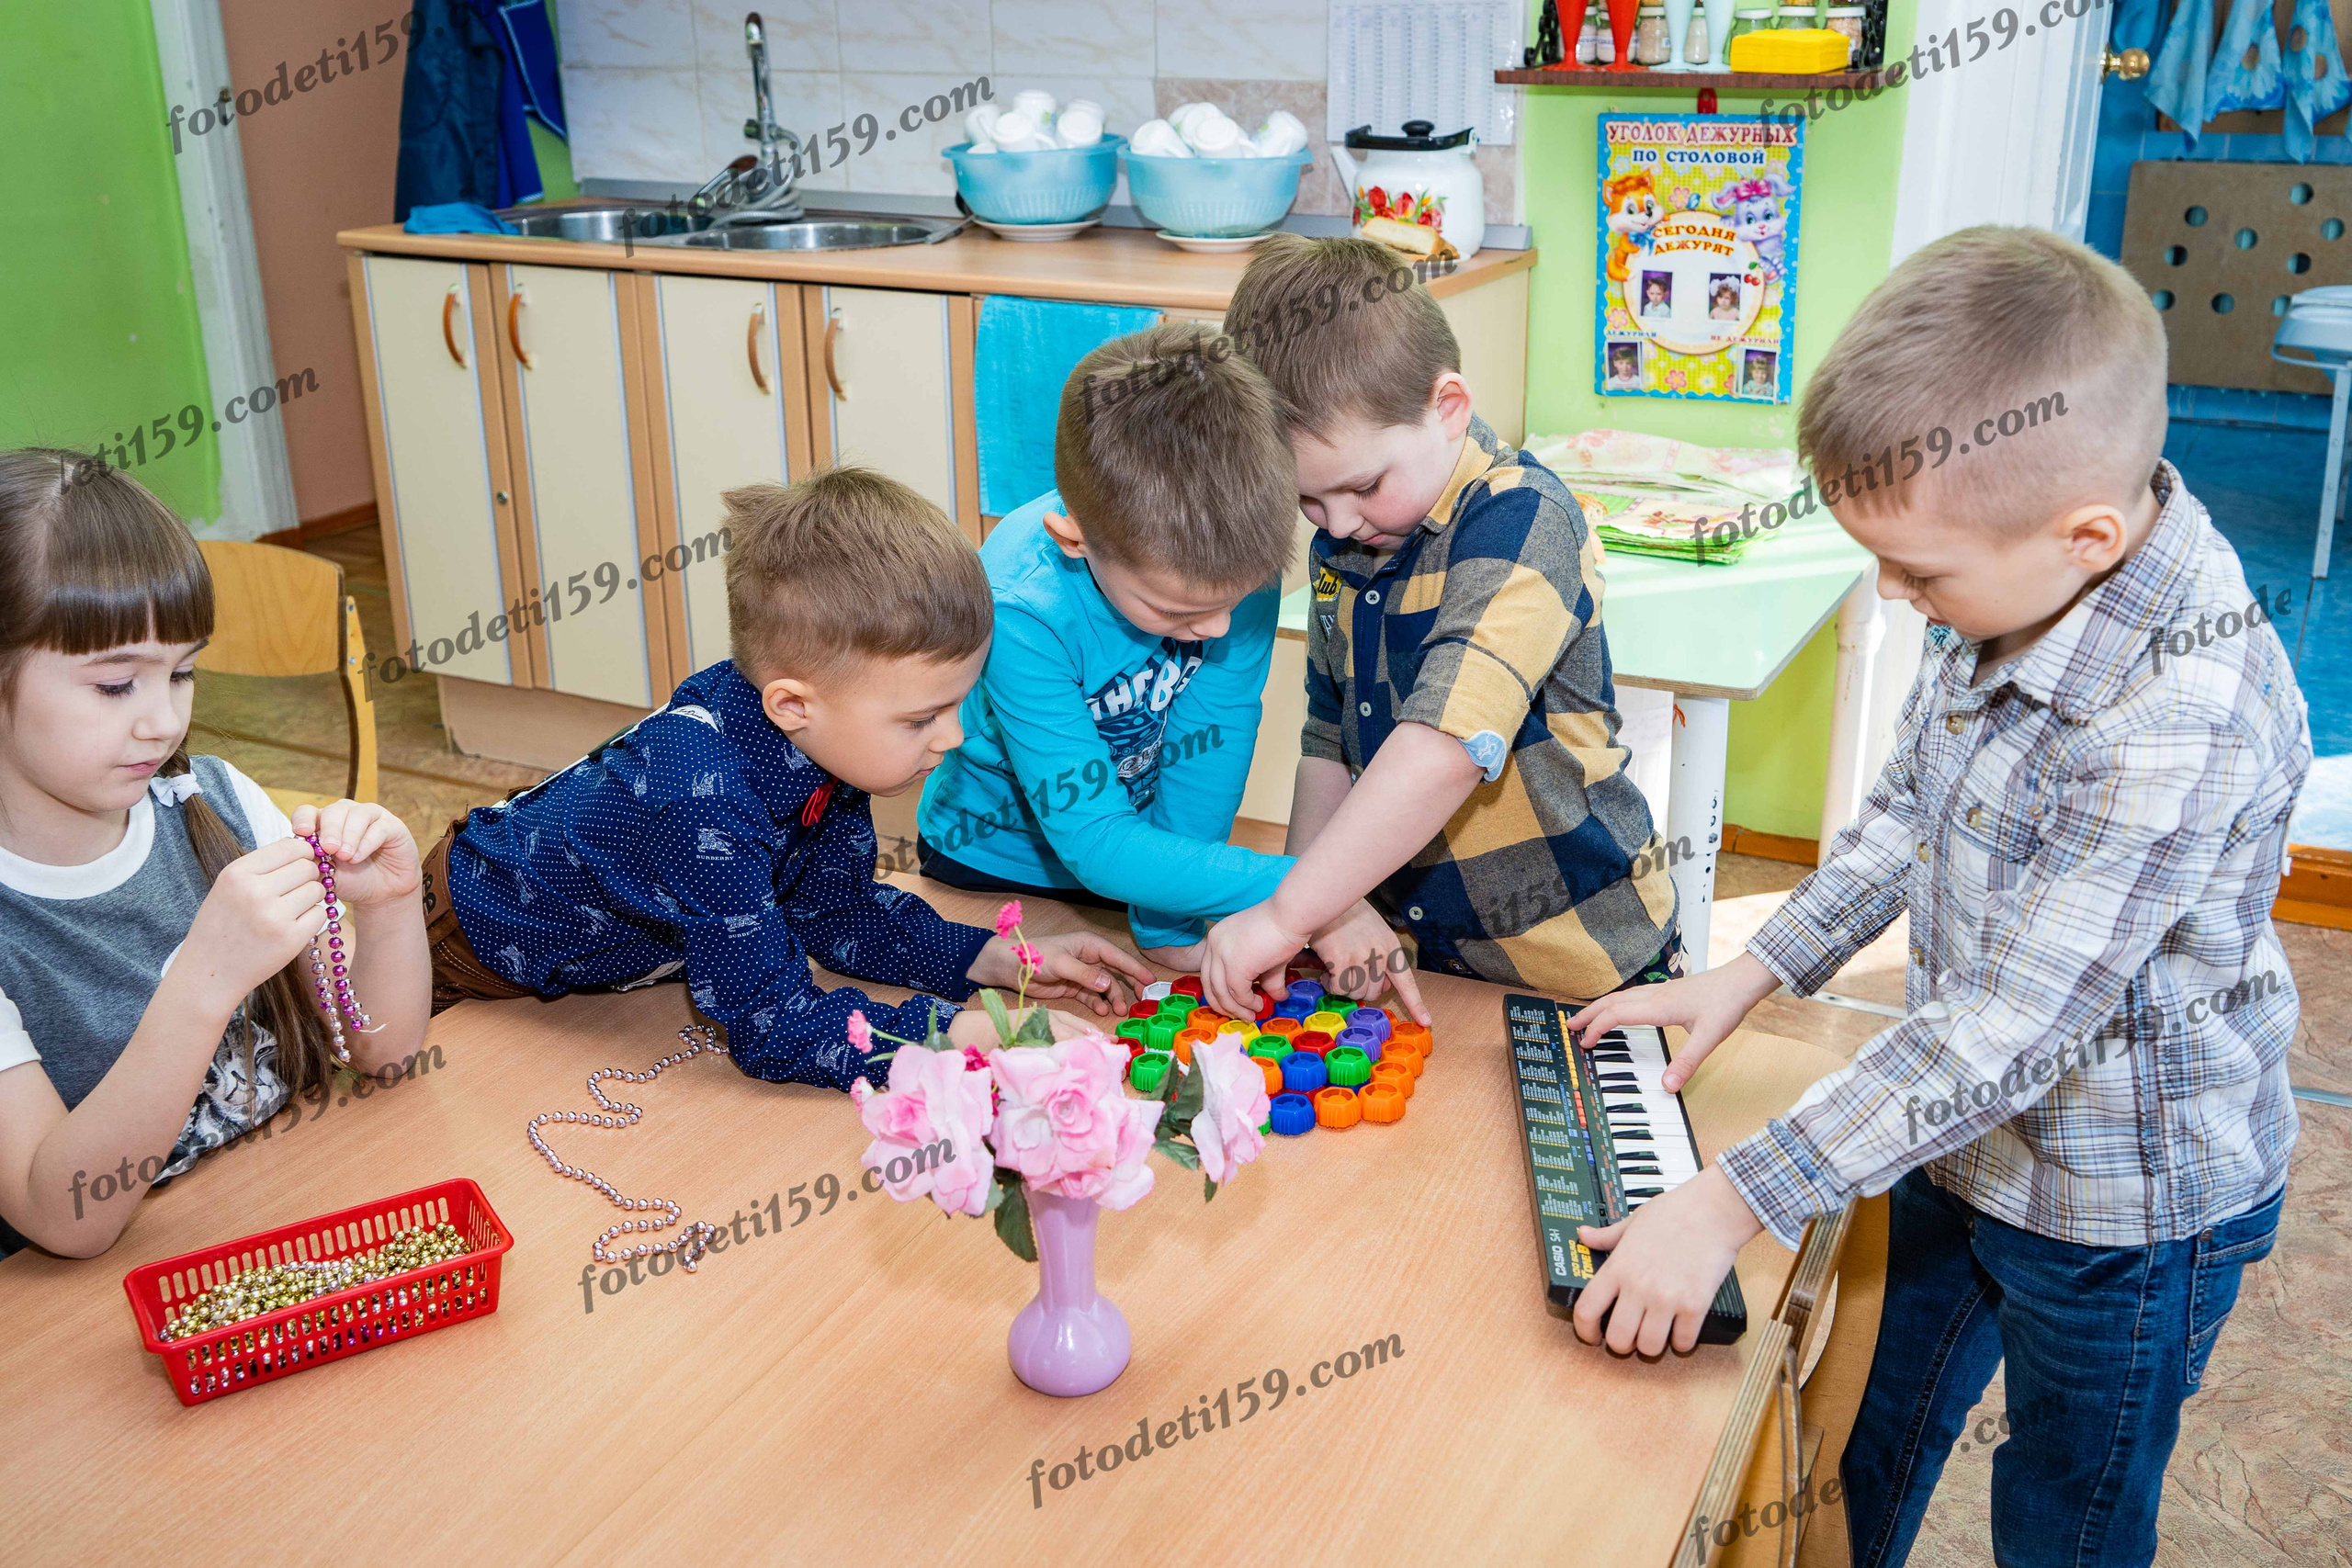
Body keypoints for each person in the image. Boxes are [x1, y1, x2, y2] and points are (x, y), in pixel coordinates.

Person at [1563, 227, 2306, 1568]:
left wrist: (1730, 1198)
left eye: (1920, 574)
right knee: (1869, 1428)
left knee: (2065, 1501)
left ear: (2085, 532)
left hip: (2124, 1214)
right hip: (1953, 1144)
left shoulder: (2178, 711)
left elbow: (2008, 1030)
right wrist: (1752, 967)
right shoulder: (2009, 590)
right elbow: (1910, 814)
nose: (1897, 602)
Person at [424, 467, 1153, 1085]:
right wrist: (971, 1035)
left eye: (958, 704)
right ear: (794, 704)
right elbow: (774, 1027)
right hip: (462, 949)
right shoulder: (699, 798)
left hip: (615, 955)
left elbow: (835, 912)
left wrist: (994, 959)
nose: (954, 737)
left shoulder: (822, 737)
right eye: (922, 718)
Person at [1196, 234, 1679, 1020]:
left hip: (1578, 963)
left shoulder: (1524, 517)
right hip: (1422, 960)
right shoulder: (1346, 541)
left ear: (1447, 409)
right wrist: (1314, 906)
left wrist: (1286, 914)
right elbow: (1328, 738)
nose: (1339, 523)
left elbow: (1448, 744)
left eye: (1362, 486)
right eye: (1308, 500)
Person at [0, 449, 431, 1258]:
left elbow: (384, 1051)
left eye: (184, 672)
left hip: (288, 1231)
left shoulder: (217, 800)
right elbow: (62, 1216)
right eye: (115, 684)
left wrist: (384, 909)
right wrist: (204, 978)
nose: (163, 721)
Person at [918, 321, 1417, 1007]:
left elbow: (1209, 746)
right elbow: (1093, 838)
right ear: (1075, 542)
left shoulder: (1233, 557)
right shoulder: (1020, 609)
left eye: (1230, 603)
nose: (1214, 629)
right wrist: (1311, 892)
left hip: (1163, 868)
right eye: (1178, 612)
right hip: (990, 870)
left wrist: (1163, 921)